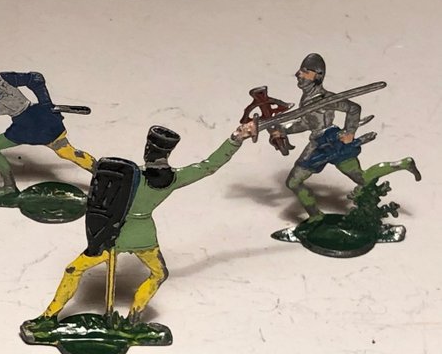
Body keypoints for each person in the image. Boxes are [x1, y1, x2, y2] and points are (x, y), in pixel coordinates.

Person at [31, 121, 256, 326]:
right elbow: (209, 166)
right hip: (143, 236)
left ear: (148, 150)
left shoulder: (129, 174)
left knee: (73, 270)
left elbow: (92, 165)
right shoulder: (173, 178)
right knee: (159, 274)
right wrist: (236, 138)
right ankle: (134, 316)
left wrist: (63, 148)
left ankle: (48, 316)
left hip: (111, 233)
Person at [274, 53, 420, 220]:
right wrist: (283, 130)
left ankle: (403, 164)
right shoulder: (307, 99)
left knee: (361, 179)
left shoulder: (326, 99)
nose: (298, 74)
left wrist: (349, 132)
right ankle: (316, 216)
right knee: (294, 182)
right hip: (318, 144)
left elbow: (354, 108)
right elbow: (307, 123)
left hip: (333, 142)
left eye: (305, 71)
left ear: (318, 76)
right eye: (300, 71)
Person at [0, 46, 95, 198]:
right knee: (66, 151)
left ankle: (10, 187)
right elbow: (35, 78)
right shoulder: (0, 77)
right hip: (39, 116)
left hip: (28, 124)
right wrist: (45, 105)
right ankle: (101, 173)